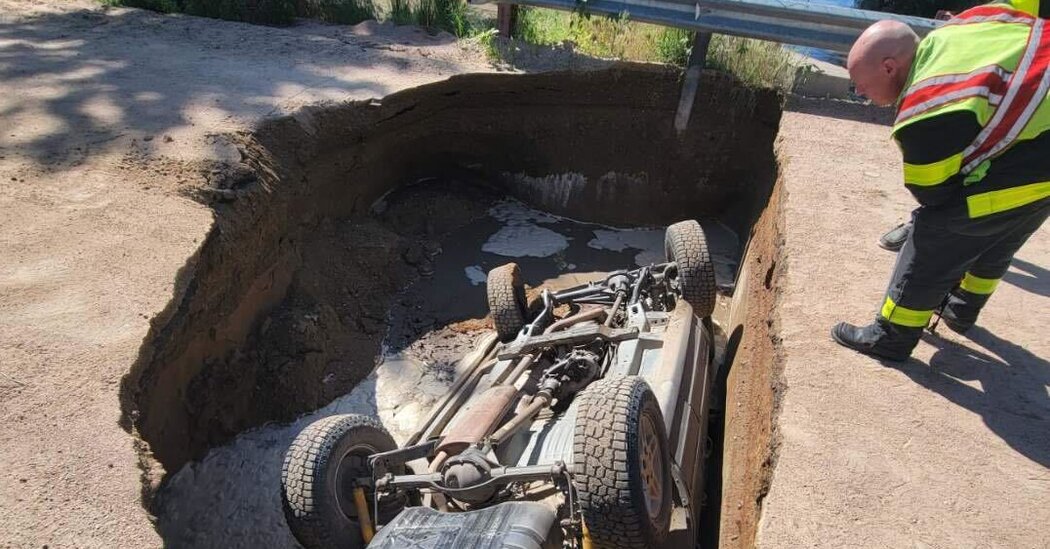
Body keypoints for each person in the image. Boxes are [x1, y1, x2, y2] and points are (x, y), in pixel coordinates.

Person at [832, 1, 1050, 361]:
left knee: (938, 230)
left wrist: (924, 224)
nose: (861, 96)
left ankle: (890, 336)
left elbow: (935, 198)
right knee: (1007, 222)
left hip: (1040, 150)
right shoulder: (954, 33)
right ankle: (962, 308)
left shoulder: (925, 111)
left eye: (860, 87)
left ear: (889, 67)